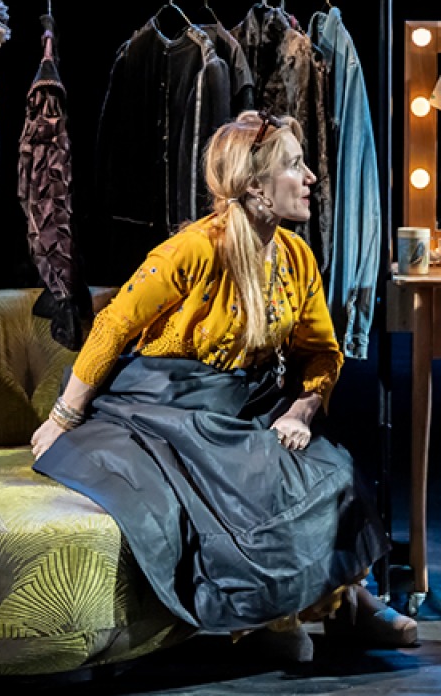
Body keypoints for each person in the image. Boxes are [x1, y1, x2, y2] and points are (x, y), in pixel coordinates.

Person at [31, 109, 416, 663]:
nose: (311, 178)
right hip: (168, 399)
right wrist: (64, 417)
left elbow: (320, 350)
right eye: (296, 165)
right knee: (256, 479)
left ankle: (346, 600)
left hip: (246, 400)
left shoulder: (295, 255)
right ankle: (270, 616)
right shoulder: (194, 248)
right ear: (255, 185)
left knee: (335, 471)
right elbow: (115, 323)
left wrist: (302, 410)